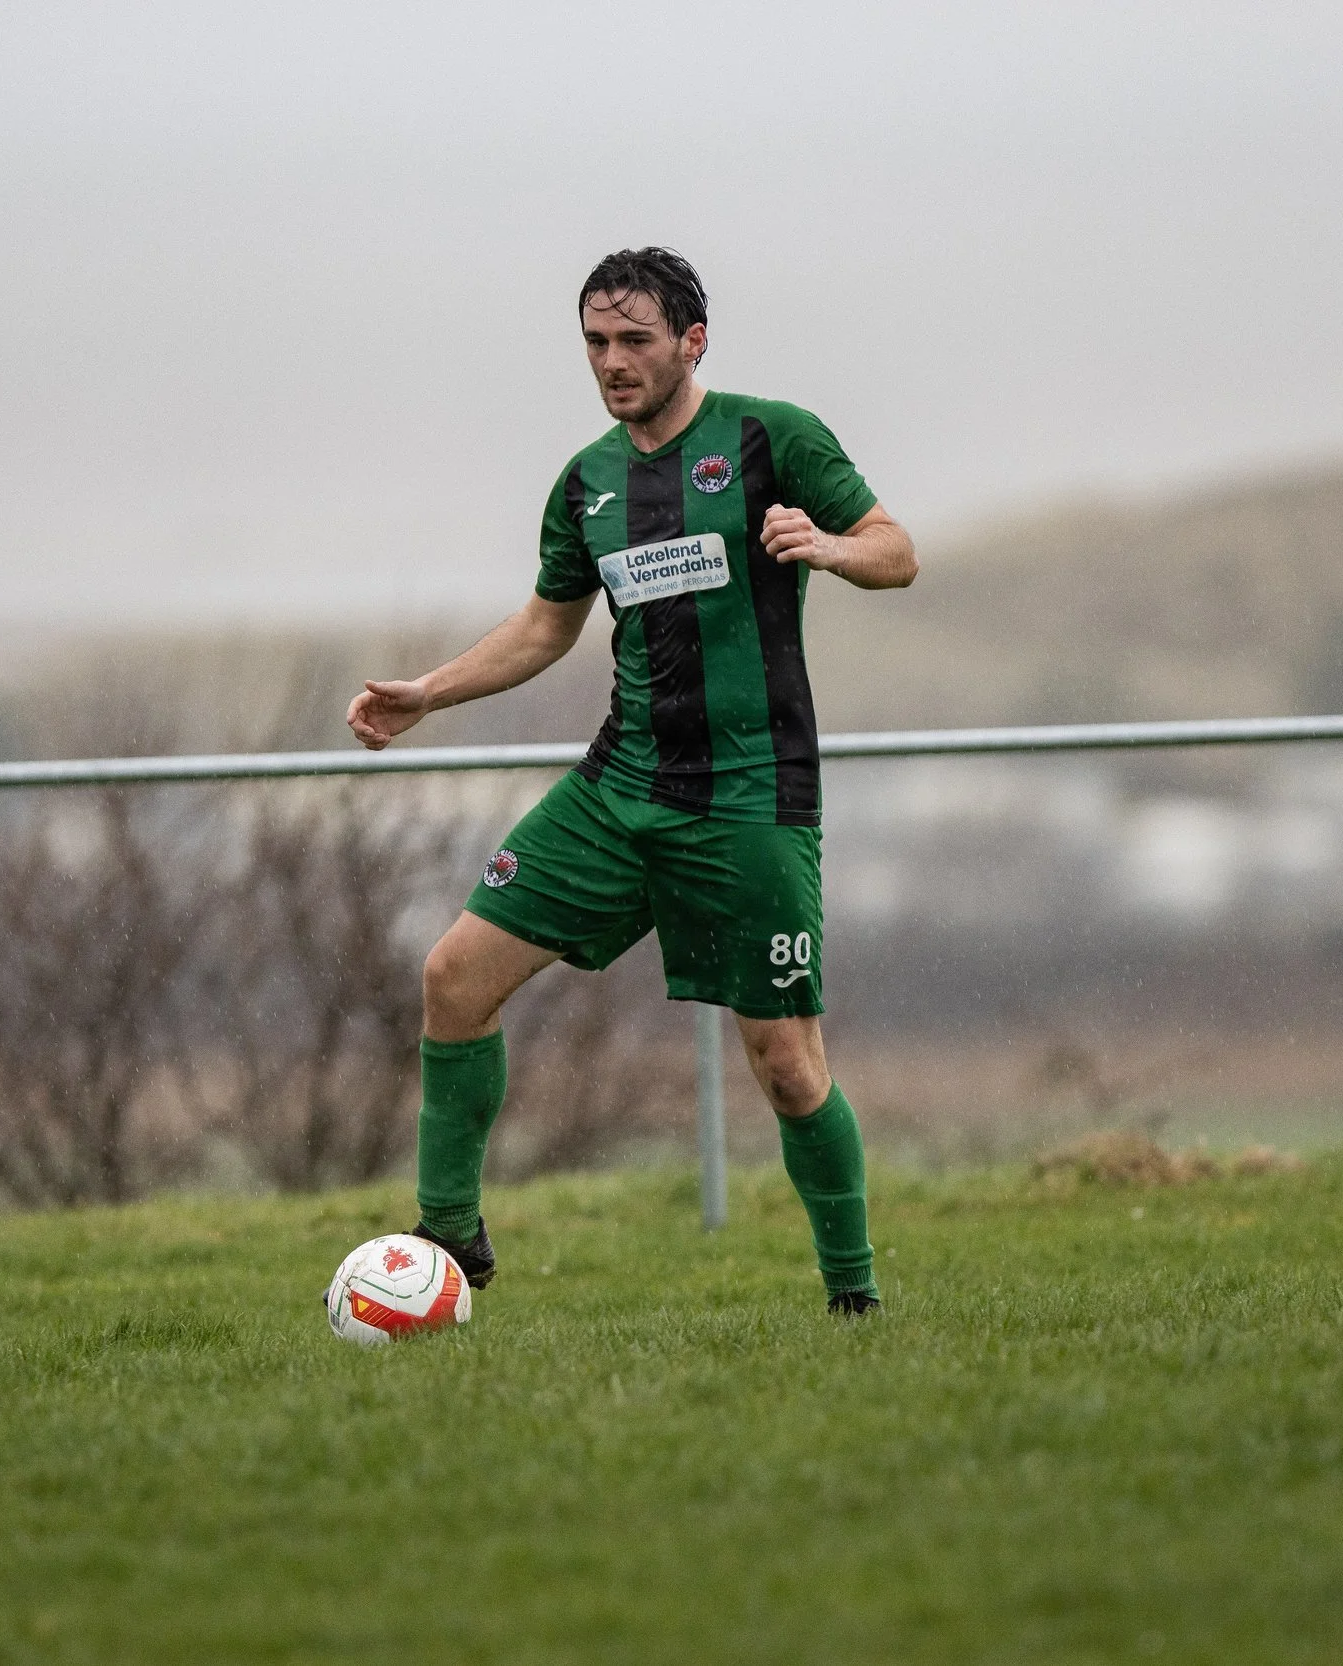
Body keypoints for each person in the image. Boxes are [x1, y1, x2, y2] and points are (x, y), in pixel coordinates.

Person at [346, 247, 917, 1314]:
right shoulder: (588, 482)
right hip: (619, 789)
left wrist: (829, 545)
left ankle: (854, 1296)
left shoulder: (768, 437)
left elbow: (898, 549)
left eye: (634, 342)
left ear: (692, 342)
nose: (612, 363)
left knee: (787, 1065)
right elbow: (543, 627)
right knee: (452, 979)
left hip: (750, 797)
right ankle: (447, 1241)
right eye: (595, 344)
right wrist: (429, 691)